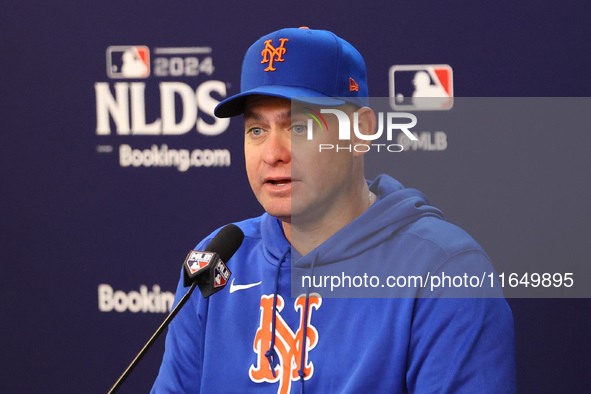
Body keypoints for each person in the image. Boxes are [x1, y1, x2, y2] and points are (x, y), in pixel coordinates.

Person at [152, 27, 516, 393]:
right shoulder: (218, 260)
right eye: (256, 130)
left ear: (361, 132)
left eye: (298, 126)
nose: (272, 153)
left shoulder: (443, 271)